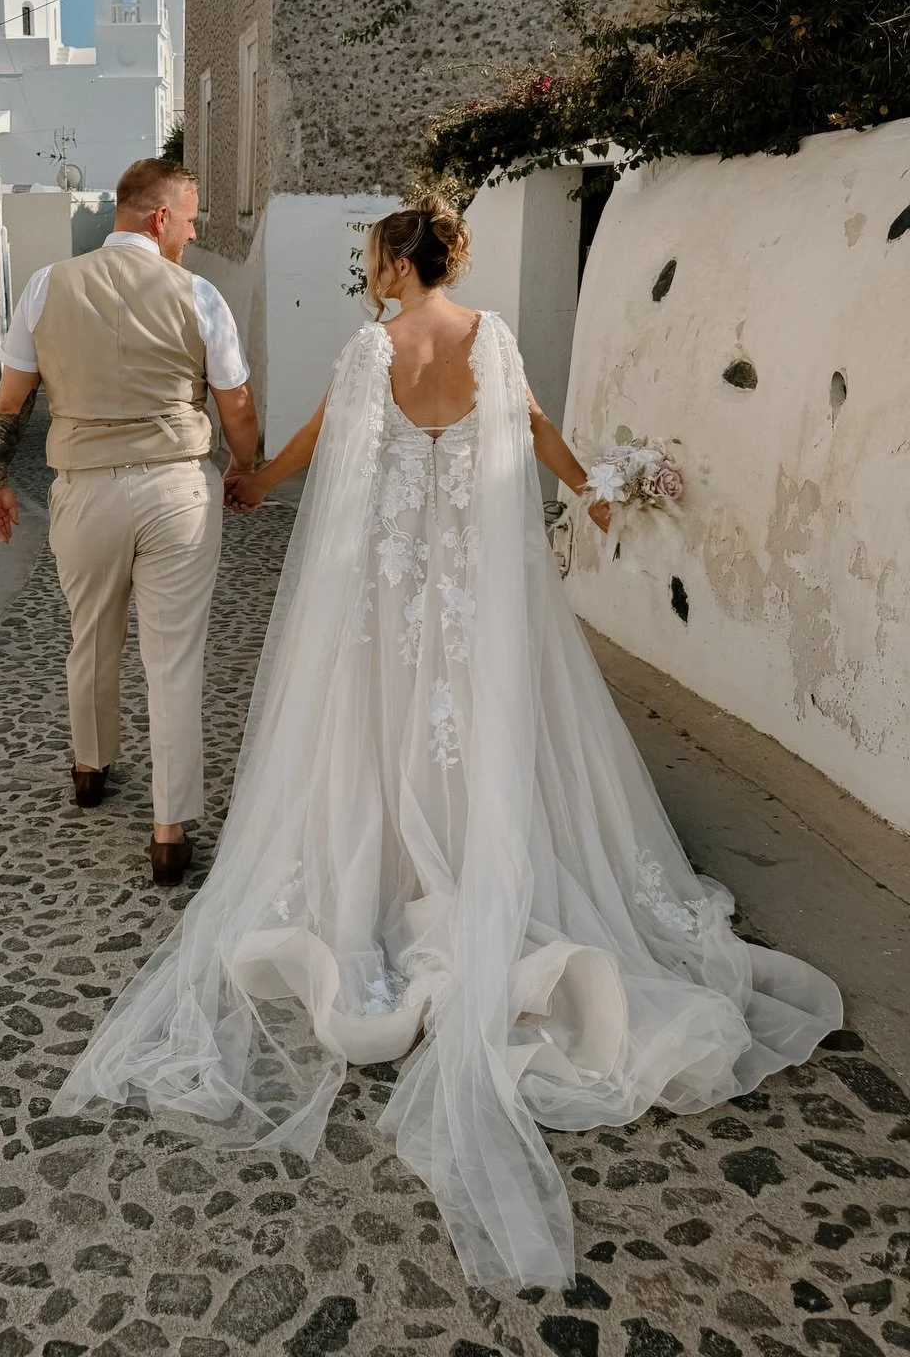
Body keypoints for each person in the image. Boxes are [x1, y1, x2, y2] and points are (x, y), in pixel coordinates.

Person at [52, 195, 841, 1291]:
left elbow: (321, 449)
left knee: (377, 726)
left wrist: (254, 484)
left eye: (374, 256)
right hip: (470, 589)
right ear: (448, 262)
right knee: (478, 724)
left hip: (389, 587)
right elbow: (533, 432)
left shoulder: (374, 347)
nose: (370, 272)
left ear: (393, 261)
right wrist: (593, 496)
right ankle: (472, 860)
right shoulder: (492, 339)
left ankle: (395, 867)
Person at [0, 157, 259, 885]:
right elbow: (237, 406)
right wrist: (242, 466)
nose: (194, 235)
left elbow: (11, 400)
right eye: (191, 219)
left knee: (90, 632)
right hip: (176, 491)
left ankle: (90, 768)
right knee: (173, 660)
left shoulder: (47, 285)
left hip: (84, 487)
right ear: (160, 218)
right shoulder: (199, 296)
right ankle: (169, 830)